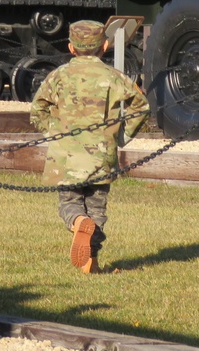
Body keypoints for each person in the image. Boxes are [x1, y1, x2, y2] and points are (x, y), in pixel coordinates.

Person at [30, 20, 149, 274]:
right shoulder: (114, 77)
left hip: (66, 158)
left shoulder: (58, 76)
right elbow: (141, 106)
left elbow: (37, 108)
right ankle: (90, 264)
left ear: (70, 47)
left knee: (69, 203)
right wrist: (122, 135)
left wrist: (54, 132)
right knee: (97, 208)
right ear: (105, 46)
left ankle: (77, 222)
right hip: (100, 157)